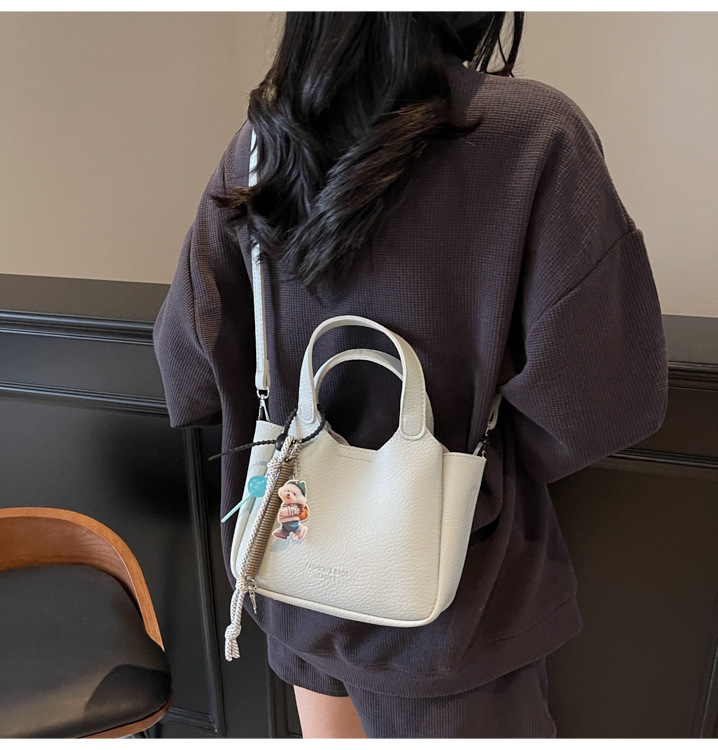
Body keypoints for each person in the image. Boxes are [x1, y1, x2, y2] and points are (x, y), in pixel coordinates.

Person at [153, 12, 668, 739]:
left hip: (302, 571)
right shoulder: (534, 135)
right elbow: (599, 399)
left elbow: (189, 367)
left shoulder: (264, 147)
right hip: (457, 598)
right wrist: (469, 461)